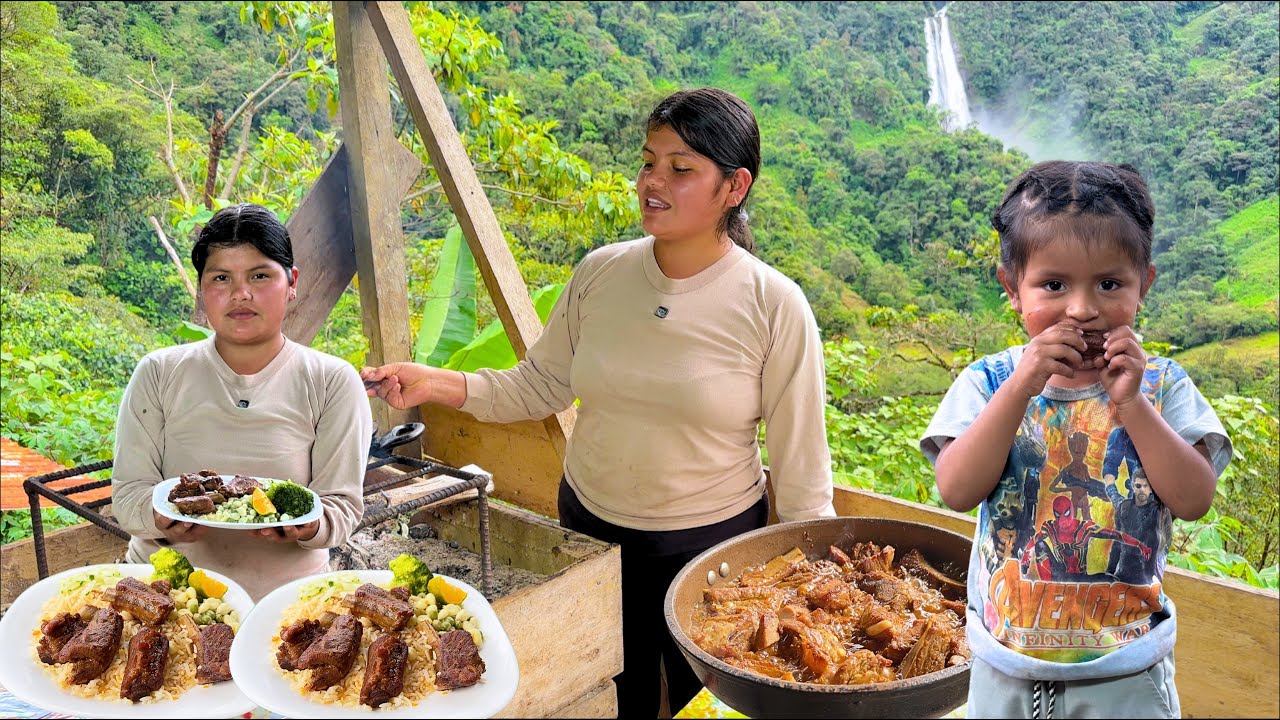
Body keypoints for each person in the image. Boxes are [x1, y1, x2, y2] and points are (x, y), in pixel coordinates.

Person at [362, 87, 835, 717]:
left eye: (681, 168)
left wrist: (814, 588)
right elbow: (538, 386)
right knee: (615, 694)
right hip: (590, 529)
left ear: (734, 186)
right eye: (648, 162)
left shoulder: (773, 304)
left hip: (710, 553)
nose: (652, 181)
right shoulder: (601, 274)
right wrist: (435, 383)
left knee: (711, 704)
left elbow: (802, 472)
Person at [919, 161, 1231, 718]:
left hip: (1126, 673)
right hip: (1002, 667)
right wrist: (1021, 389)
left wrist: (1131, 403)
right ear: (1012, 288)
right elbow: (957, 488)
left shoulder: (1163, 385)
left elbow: (1193, 498)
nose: (1082, 309)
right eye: (1053, 285)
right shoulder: (988, 382)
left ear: (1145, 286)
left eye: (1109, 284)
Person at [112, 203, 373, 601]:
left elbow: (341, 508)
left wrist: (308, 525)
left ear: (292, 282)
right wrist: (160, 517)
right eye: (221, 277)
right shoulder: (159, 373)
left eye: (260, 275)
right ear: (202, 288)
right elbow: (129, 496)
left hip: (287, 600)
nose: (241, 294)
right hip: (163, 589)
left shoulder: (332, 381)